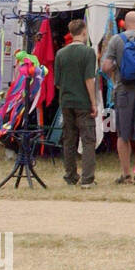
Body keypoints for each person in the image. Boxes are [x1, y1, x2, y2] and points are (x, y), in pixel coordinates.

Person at [101, 11, 135, 185]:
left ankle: (125, 174)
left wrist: (116, 69)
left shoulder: (116, 40)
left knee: (123, 134)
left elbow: (106, 66)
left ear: (124, 23)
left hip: (123, 90)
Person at [53, 18, 99, 188]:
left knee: (69, 140)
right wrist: (93, 102)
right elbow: (89, 79)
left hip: (66, 101)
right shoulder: (88, 52)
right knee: (88, 140)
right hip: (83, 102)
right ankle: (87, 179)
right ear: (84, 31)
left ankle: (71, 175)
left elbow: (57, 82)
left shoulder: (61, 53)